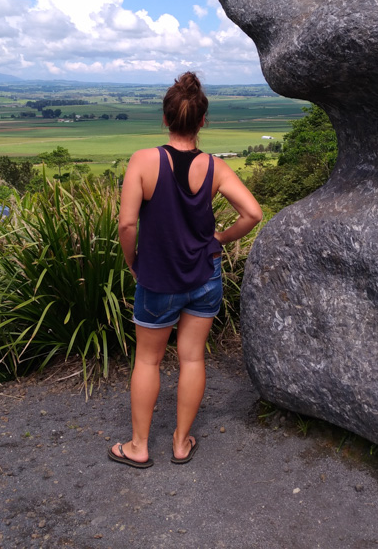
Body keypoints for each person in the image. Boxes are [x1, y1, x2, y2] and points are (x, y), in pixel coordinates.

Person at [110, 71, 263, 468]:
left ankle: (139, 446)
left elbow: (127, 224)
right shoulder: (215, 167)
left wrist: (134, 264)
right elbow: (253, 213)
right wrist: (220, 239)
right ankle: (180, 443)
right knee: (192, 358)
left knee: (148, 360)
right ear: (202, 121)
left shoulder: (144, 161)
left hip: (158, 277)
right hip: (204, 274)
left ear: (165, 119)